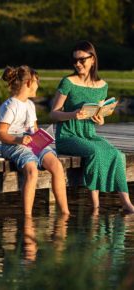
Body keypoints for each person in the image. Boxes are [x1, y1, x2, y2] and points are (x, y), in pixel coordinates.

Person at [51, 40, 134, 213]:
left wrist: (100, 119)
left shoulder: (102, 86)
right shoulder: (68, 82)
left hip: (88, 133)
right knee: (95, 152)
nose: (78, 64)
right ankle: (95, 206)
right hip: (68, 135)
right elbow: (54, 113)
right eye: (74, 61)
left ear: (93, 59)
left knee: (118, 155)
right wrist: (72, 114)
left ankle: (126, 203)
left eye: (82, 60)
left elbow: (100, 114)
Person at [0, 65, 70, 216]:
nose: (38, 85)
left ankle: (65, 212)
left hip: (32, 142)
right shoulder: (10, 106)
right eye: (37, 81)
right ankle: (27, 216)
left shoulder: (30, 104)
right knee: (32, 170)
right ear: (29, 83)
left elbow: (34, 129)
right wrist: (19, 139)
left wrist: (43, 137)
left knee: (56, 165)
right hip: (13, 144)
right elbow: (0, 133)